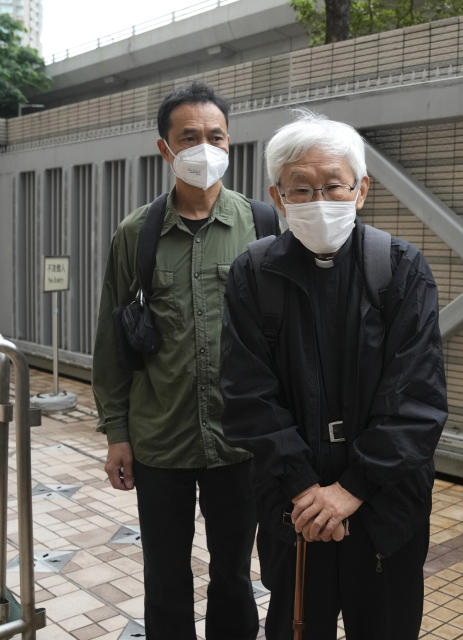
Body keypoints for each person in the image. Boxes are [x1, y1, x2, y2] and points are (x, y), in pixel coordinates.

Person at [219, 111, 447, 640]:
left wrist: (352, 488)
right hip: (294, 515)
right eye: (301, 189)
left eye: (333, 186)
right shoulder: (254, 274)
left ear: (361, 190)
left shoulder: (401, 268)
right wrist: (306, 490)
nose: (319, 201)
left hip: (386, 509)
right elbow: (246, 394)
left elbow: (418, 396)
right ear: (278, 198)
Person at [92, 81, 276, 639]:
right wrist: (116, 433)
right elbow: (111, 339)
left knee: (234, 577)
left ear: (230, 141)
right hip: (160, 443)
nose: (204, 147)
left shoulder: (262, 226)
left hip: (239, 441)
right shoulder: (136, 234)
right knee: (166, 577)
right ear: (165, 148)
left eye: (214, 136)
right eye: (189, 136)